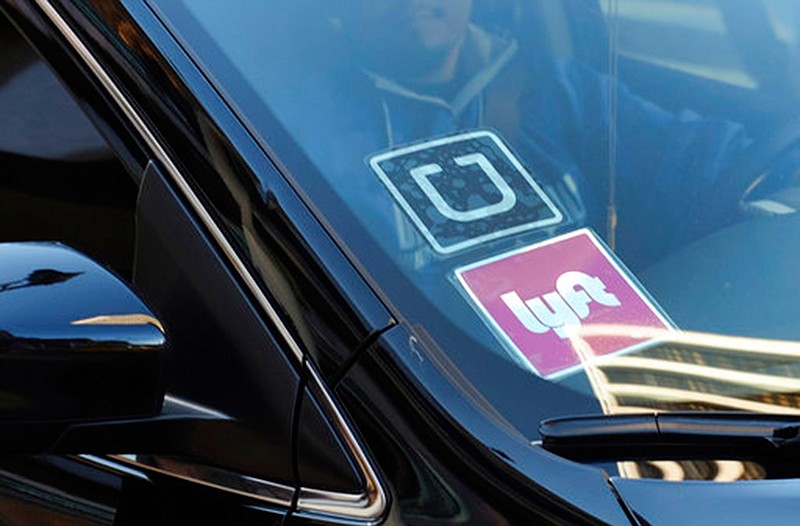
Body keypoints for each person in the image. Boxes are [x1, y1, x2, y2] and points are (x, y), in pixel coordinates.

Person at [268, 0, 790, 271]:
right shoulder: (302, 130)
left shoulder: (559, 90)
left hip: (595, 386)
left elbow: (717, 163)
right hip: (439, 408)